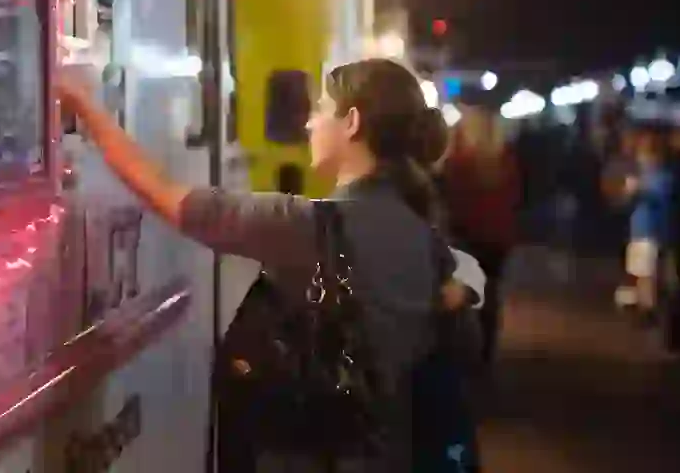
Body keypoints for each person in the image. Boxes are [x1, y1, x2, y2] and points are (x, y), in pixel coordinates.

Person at [58, 58, 468, 471]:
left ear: (352, 123)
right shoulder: (427, 237)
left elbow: (167, 197)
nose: (309, 123)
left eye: (322, 109)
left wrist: (85, 107)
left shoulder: (309, 228)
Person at [440, 107, 520, 367]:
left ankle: (467, 351)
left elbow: (451, 197)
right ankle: (486, 348)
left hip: (468, 235)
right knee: (492, 292)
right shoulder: (506, 159)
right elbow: (515, 196)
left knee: (466, 293)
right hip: (498, 237)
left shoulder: (460, 161)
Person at [615, 129, 675, 321]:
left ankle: (649, 309)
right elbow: (626, 201)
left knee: (648, 273)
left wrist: (638, 190)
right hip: (640, 229)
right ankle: (644, 306)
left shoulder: (662, 175)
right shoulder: (644, 174)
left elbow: (659, 198)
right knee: (640, 272)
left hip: (652, 230)